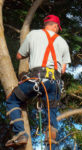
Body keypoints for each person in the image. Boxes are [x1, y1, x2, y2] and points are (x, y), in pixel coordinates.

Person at [5, 14, 71, 150]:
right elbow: (63, 70)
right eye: (58, 27)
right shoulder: (63, 42)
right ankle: (52, 143)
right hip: (54, 84)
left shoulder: (33, 34)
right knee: (51, 114)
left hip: (35, 80)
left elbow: (19, 55)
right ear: (55, 25)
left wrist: (34, 52)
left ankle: (20, 134)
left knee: (12, 100)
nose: (58, 29)